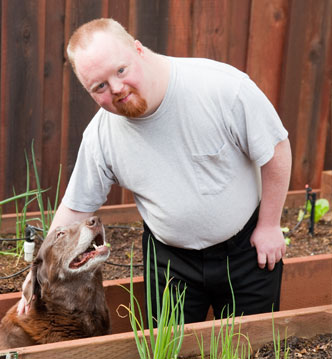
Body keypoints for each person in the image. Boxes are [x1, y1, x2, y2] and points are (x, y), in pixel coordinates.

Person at [18, 18, 292, 323]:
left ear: (138, 49)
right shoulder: (101, 136)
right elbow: (77, 206)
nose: (117, 89)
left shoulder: (221, 88)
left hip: (246, 249)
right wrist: (37, 273)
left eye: (121, 70)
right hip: (169, 261)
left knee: (250, 348)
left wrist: (269, 225)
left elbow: (276, 149)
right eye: (100, 86)